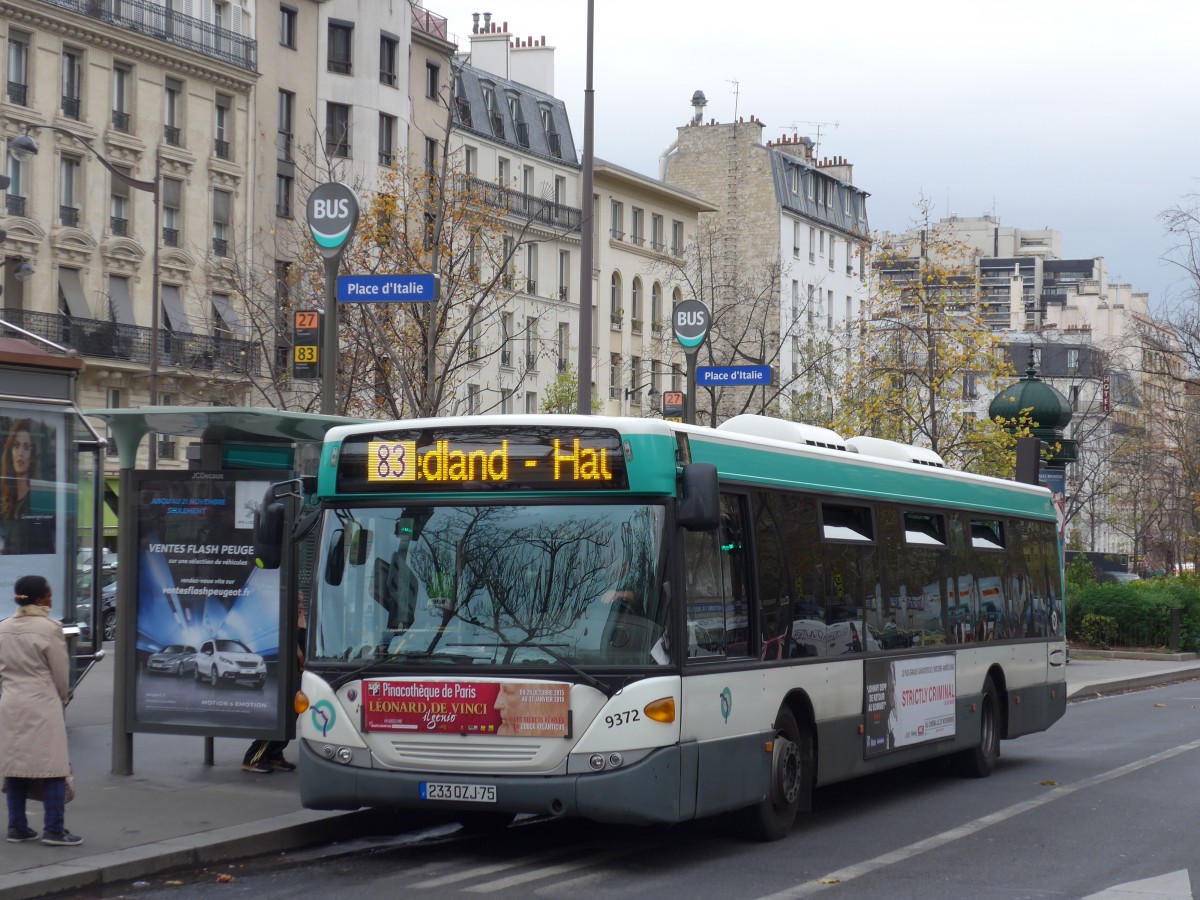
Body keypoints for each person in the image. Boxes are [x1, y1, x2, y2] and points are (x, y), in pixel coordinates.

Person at [0, 575, 81, 846]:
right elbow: (60, 673)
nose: (51, 598)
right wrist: (63, 698)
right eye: (48, 595)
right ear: (39, 599)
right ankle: (54, 829)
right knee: (53, 767)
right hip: (41, 702)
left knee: (16, 765)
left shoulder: (3, 628)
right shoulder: (49, 628)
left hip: (11, 702)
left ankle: (17, 827)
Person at [242, 599, 307, 774]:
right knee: (278, 722)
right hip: (282, 683)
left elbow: (304, 647)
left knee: (288, 722)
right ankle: (252, 758)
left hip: (295, 681)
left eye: (301, 602)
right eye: (298, 602)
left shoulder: (295, 627)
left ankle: (274, 755)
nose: (301, 605)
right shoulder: (280, 628)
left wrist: (301, 624)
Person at [0, 420, 54, 555]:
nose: (20, 453)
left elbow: (46, 549)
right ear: (10, 452)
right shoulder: (6, 500)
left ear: (32, 455)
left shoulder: (38, 500)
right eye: (16, 446)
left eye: (26, 447)